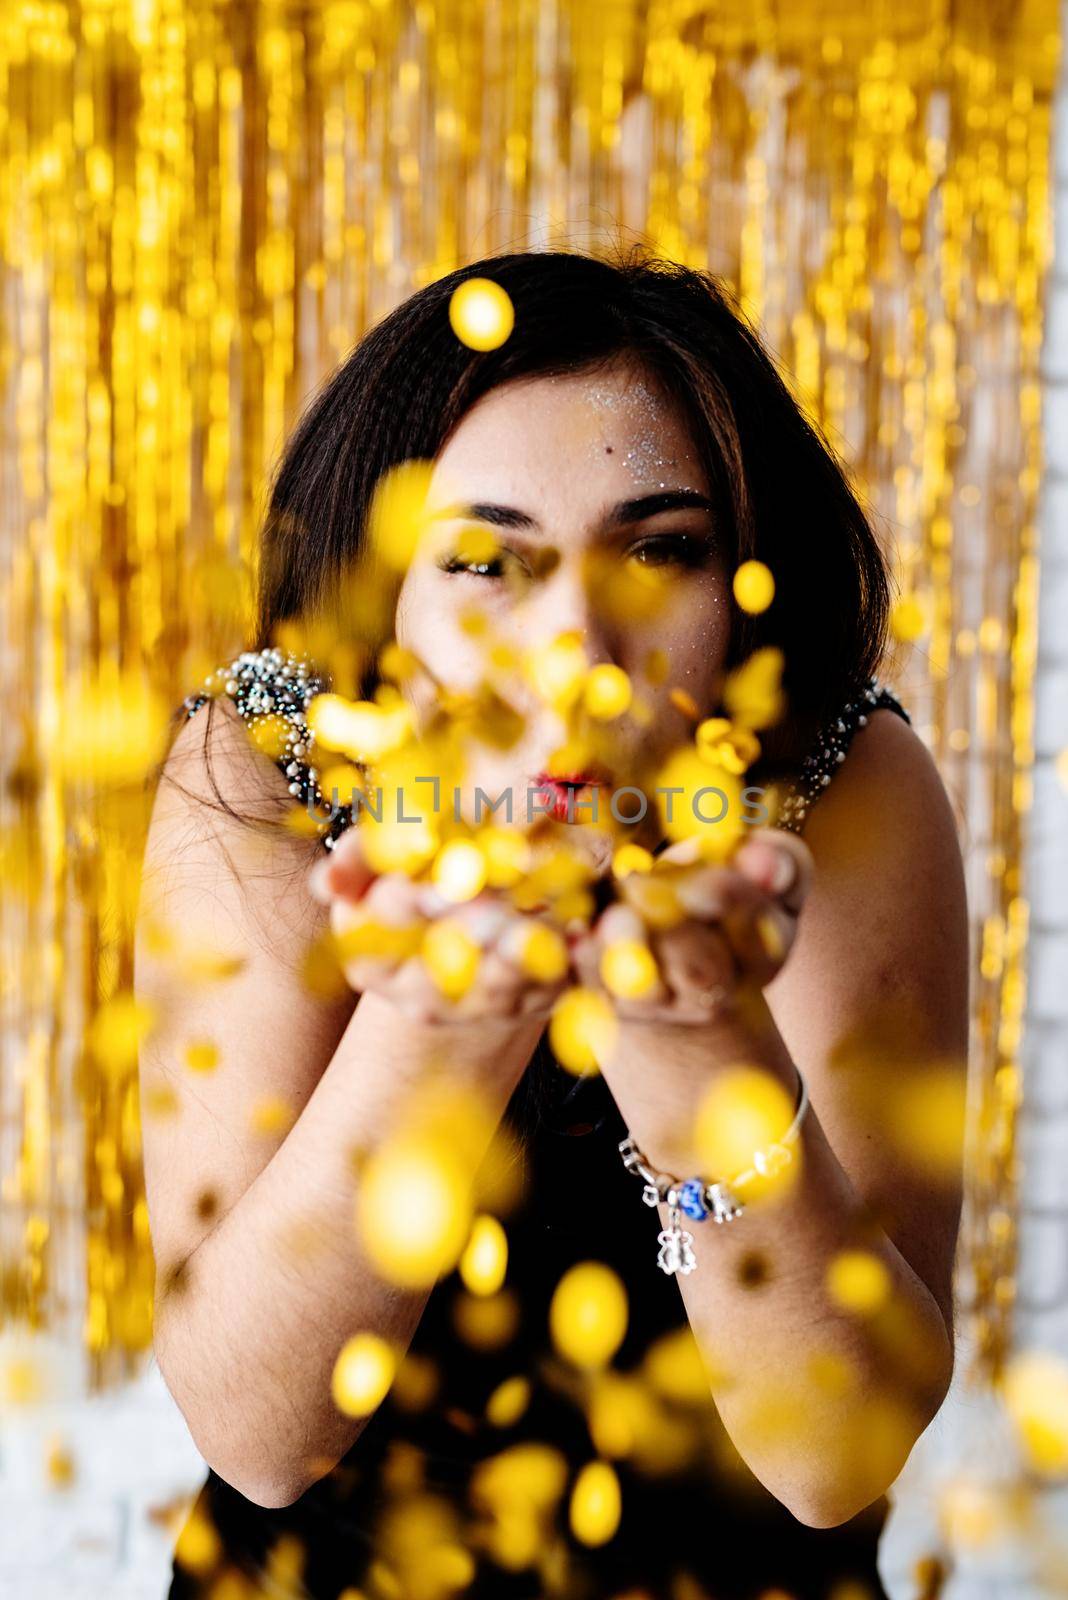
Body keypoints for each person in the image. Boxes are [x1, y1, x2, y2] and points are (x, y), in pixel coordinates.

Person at [135, 248, 968, 1600]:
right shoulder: (271, 765)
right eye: (487, 562)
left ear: (743, 583)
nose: (579, 643)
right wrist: (444, 1004)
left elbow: (836, 1456)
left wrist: (688, 1031)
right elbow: (258, 1436)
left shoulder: (837, 780)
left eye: (661, 550)